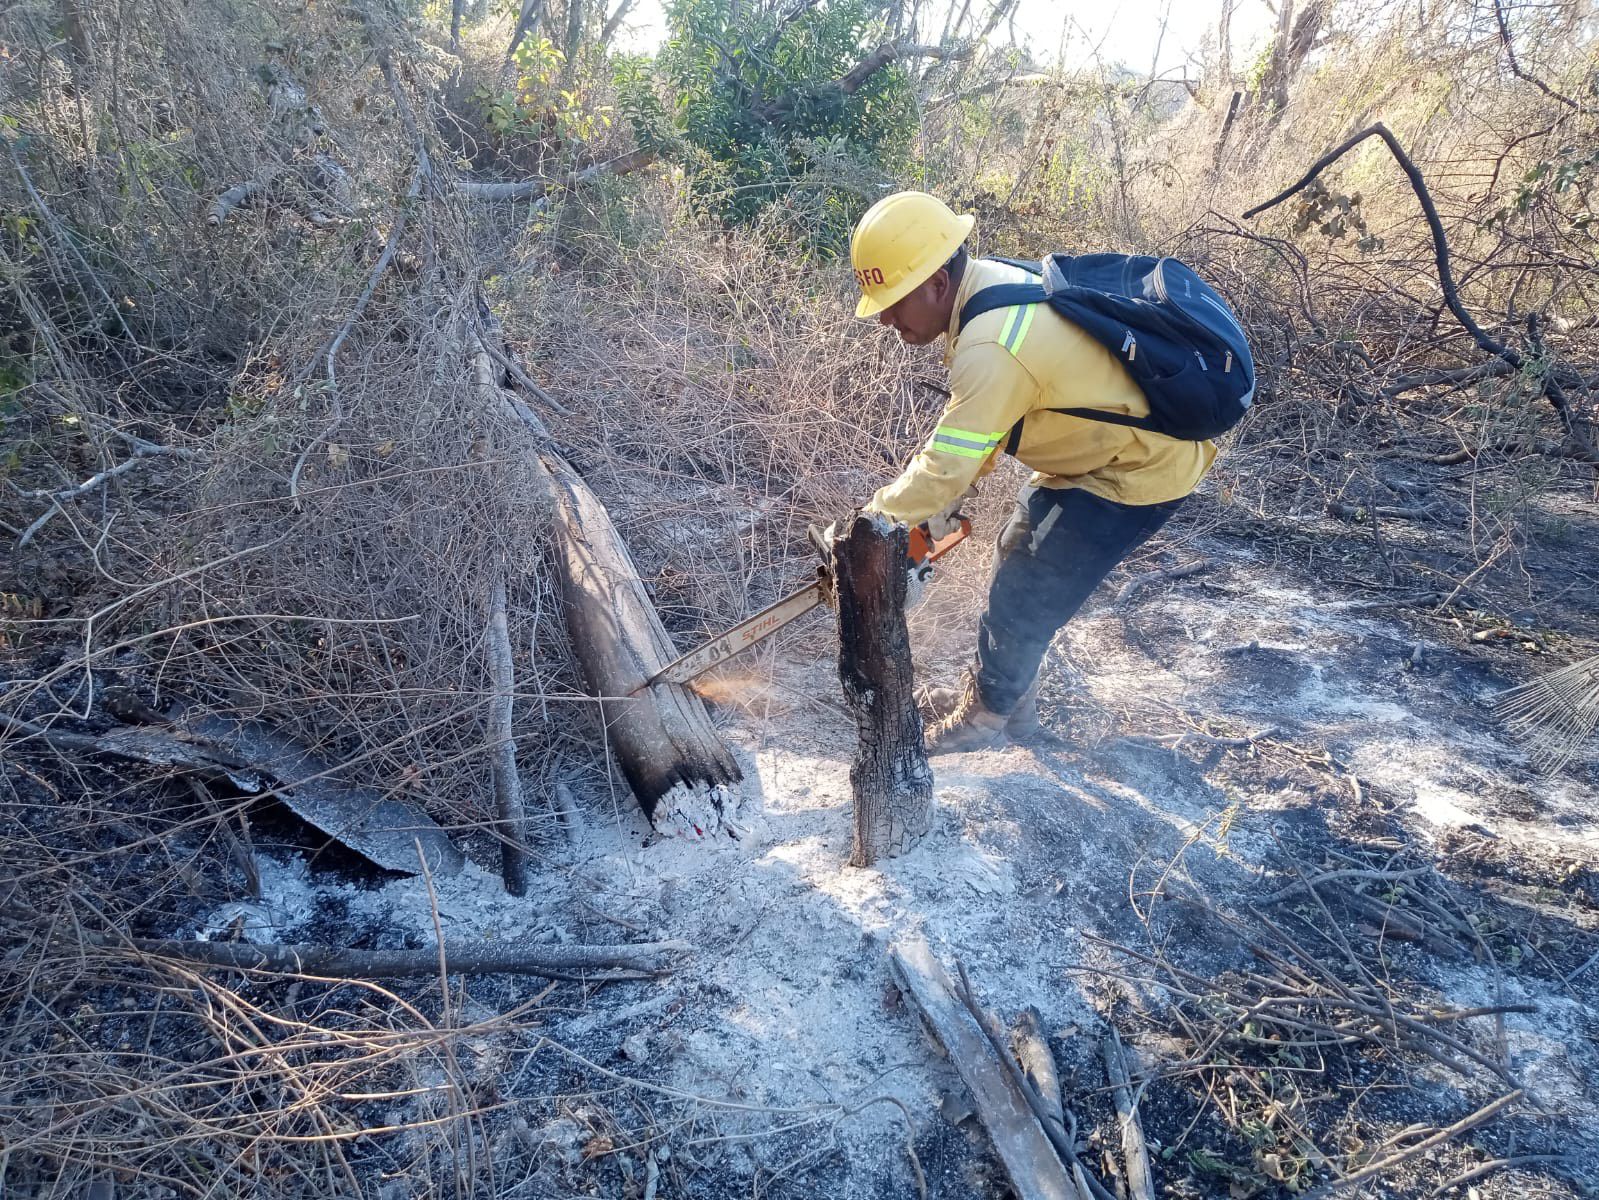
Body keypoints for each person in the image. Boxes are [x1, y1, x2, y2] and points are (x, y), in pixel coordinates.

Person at [851, 191, 1218, 753]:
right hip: (1098, 451)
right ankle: (1013, 709)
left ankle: (985, 721)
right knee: (1015, 553)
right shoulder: (987, 289)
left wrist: (868, 527)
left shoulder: (992, 342)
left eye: (894, 300)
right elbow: (997, 421)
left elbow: (944, 466)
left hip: (1138, 465)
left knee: (1027, 589)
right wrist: (942, 505)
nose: (885, 317)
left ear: (936, 284)